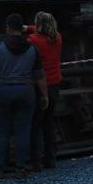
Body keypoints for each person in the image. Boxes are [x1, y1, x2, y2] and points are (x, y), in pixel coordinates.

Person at [0, 14, 48, 178]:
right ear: (21, 28)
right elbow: (40, 75)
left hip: (2, 91)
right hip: (26, 91)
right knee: (23, 131)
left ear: (8, 28)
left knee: (1, 131)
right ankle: (21, 167)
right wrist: (45, 95)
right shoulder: (32, 49)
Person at [24, 12, 62, 170]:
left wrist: (25, 29)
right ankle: (50, 158)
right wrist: (29, 27)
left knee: (36, 123)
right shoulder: (57, 37)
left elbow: (31, 38)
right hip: (55, 84)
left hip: (40, 86)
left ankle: (35, 160)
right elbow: (41, 30)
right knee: (49, 122)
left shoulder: (33, 40)